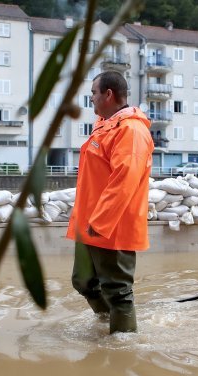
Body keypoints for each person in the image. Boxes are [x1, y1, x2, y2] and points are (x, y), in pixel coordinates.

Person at [67, 71, 154, 333]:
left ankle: (122, 346)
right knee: (83, 281)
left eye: (94, 92)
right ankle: (106, 322)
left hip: (111, 225)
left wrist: (100, 223)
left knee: (117, 291)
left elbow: (124, 180)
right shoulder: (107, 125)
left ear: (108, 94)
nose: (91, 98)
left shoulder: (131, 130)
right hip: (89, 223)